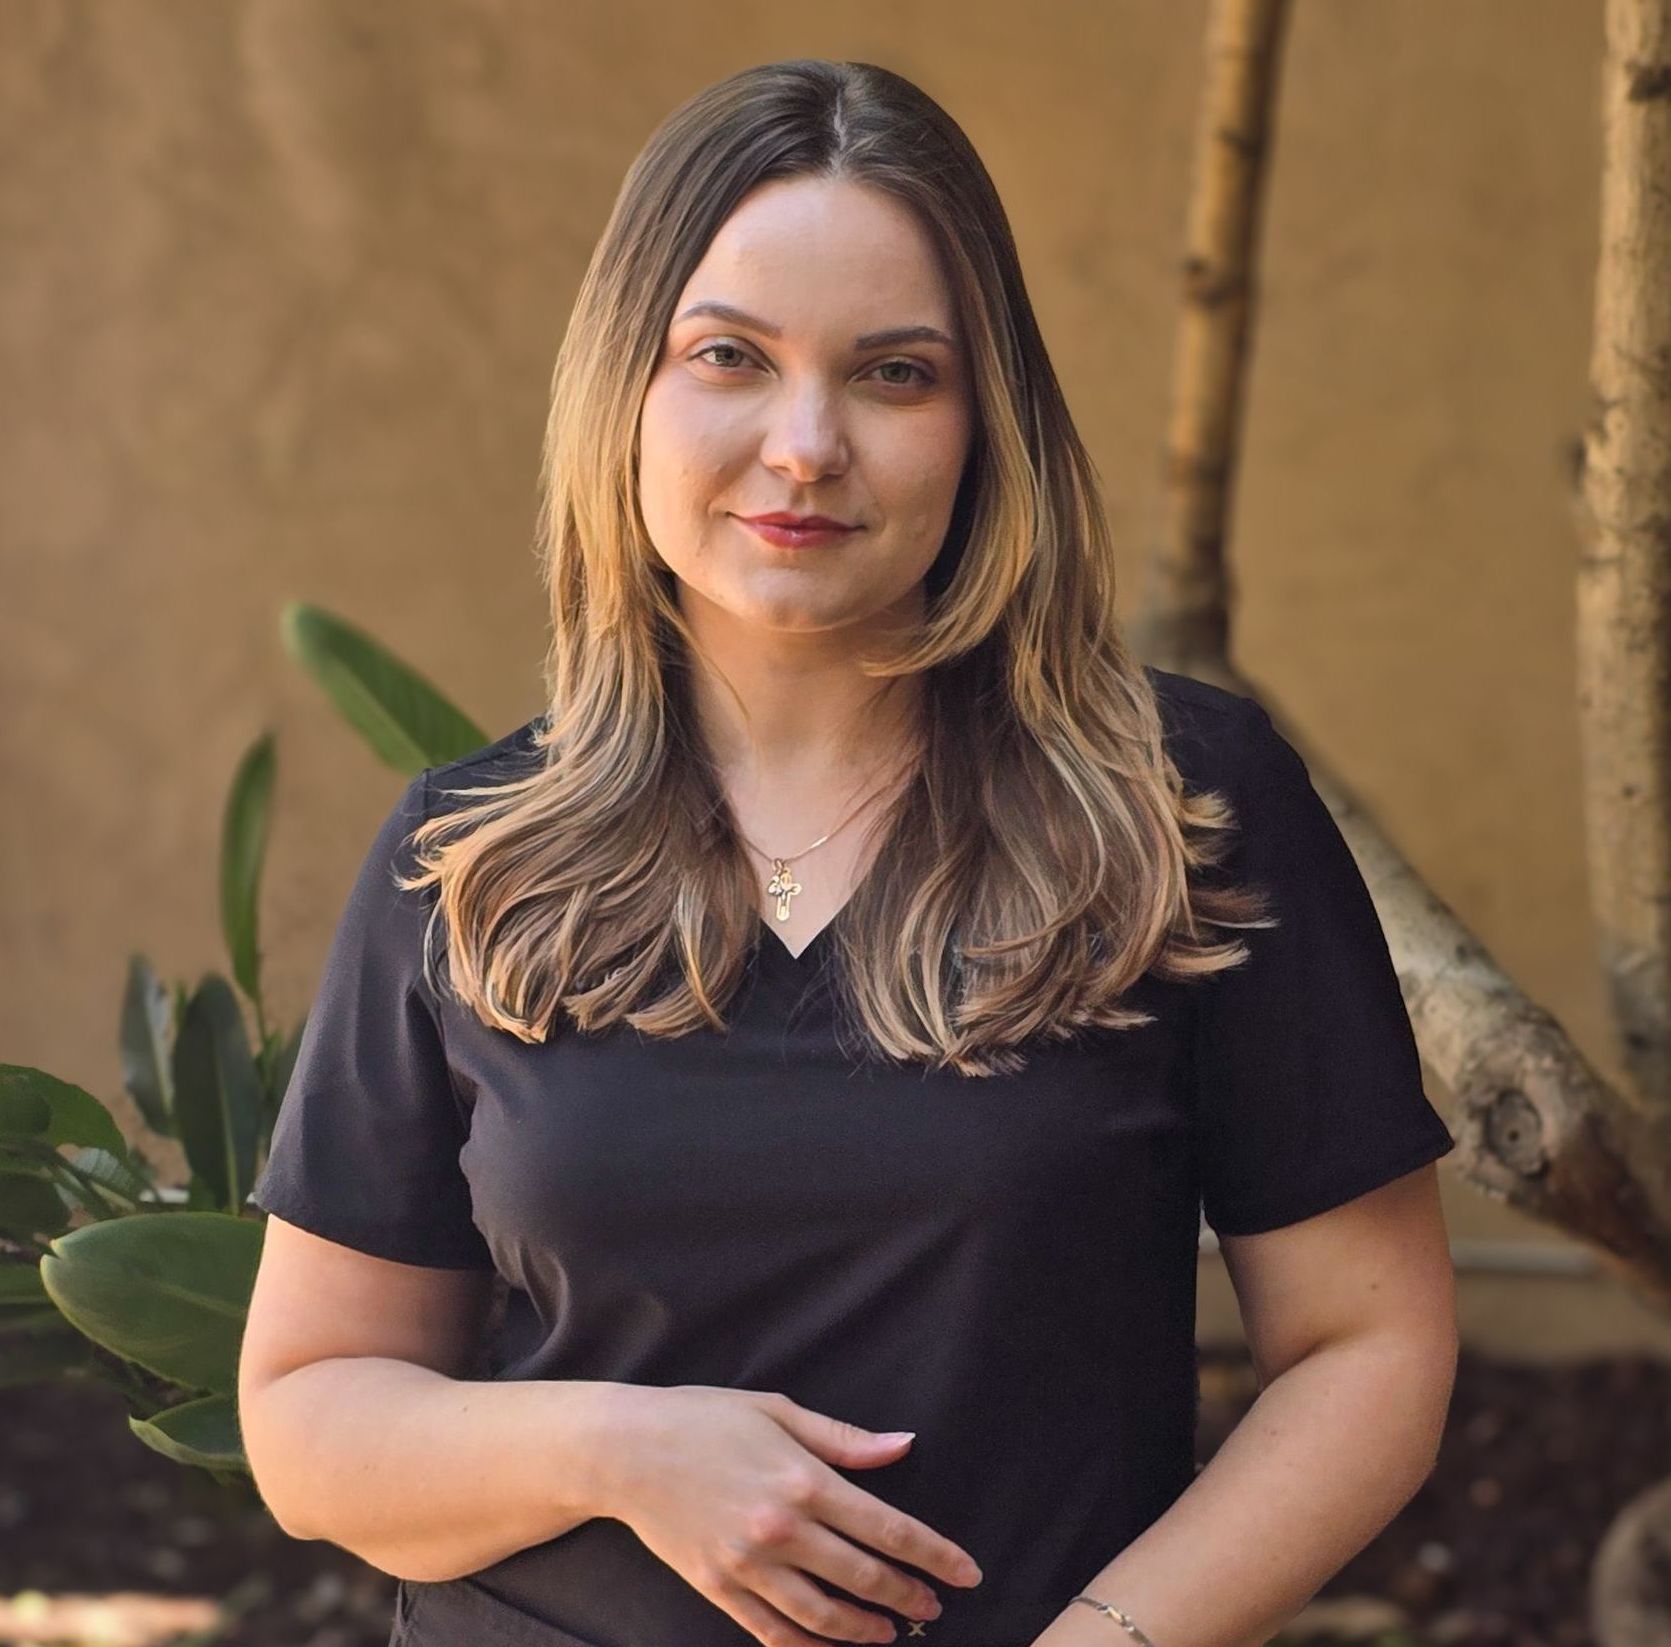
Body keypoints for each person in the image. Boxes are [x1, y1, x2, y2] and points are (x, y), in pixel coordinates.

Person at [238, 58, 1459, 1647]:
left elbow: (1369, 1350)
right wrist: (624, 1449)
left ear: (984, 424)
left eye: (894, 375)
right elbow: (311, 1417)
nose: (805, 445)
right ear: (628, 388)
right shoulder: (473, 857)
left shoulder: (1177, 811)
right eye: (729, 357)